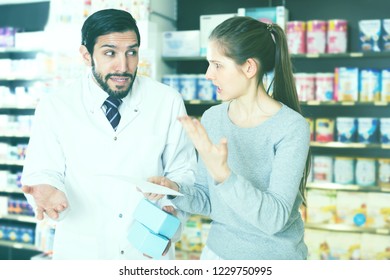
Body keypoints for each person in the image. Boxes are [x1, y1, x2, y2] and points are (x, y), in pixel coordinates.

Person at [21, 8, 196, 260]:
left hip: (146, 250)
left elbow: (184, 171)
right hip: (82, 251)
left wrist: (171, 206)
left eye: (131, 52)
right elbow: (41, 171)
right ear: (86, 54)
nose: (123, 67)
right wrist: (49, 190)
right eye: (110, 53)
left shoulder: (166, 100)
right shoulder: (56, 105)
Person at [147, 16, 311, 260]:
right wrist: (175, 190)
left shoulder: (291, 127)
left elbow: (274, 218)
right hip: (217, 255)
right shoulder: (213, 117)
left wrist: (224, 176)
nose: (208, 75)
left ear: (249, 68)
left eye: (217, 65)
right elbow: (207, 200)